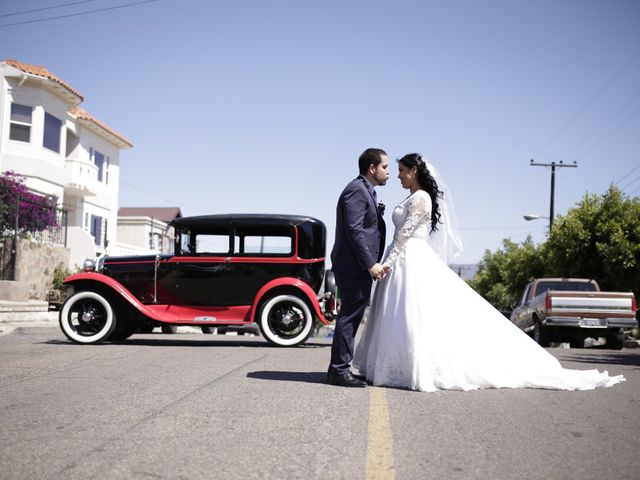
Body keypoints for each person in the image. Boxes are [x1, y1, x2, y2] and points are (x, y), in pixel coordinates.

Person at [353, 153, 625, 392]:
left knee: (412, 314)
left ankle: (410, 366)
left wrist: (388, 260)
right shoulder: (412, 196)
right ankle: (392, 364)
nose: (398, 175)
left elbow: (405, 235)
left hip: (409, 256)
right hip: (404, 258)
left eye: (401, 170)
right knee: (400, 314)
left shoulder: (421, 198)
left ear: (414, 171)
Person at [327, 148, 390, 388]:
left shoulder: (366, 190)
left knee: (352, 316)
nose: (388, 172)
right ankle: (338, 370)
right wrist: (370, 264)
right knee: (349, 317)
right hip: (354, 266)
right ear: (372, 168)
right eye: (385, 167)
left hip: (356, 266)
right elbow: (354, 230)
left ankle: (341, 368)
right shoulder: (356, 189)